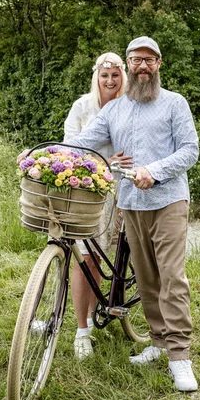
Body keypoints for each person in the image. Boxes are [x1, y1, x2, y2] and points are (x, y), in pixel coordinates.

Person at [65, 36, 199, 392]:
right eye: (136, 60)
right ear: (129, 63)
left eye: (149, 60)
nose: (142, 66)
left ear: (158, 64)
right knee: (147, 279)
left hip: (168, 201)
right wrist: (51, 156)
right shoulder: (114, 110)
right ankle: (157, 342)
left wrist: (153, 171)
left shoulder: (175, 103)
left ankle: (180, 356)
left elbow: (190, 151)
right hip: (131, 206)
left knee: (171, 277)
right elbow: (83, 142)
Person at [63, 52, 133, 360]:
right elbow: (71, 145)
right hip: (86, 191)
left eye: (115, 75)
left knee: (102, 259)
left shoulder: (129, 107)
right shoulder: (83, 106)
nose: (109, 81)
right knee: (85, 258)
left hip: (116, 193)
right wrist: (103, 162)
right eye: (105, 76)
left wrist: (120, 164)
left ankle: (91, 317)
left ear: (122, 77)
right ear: (97, 77)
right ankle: (82, 331)